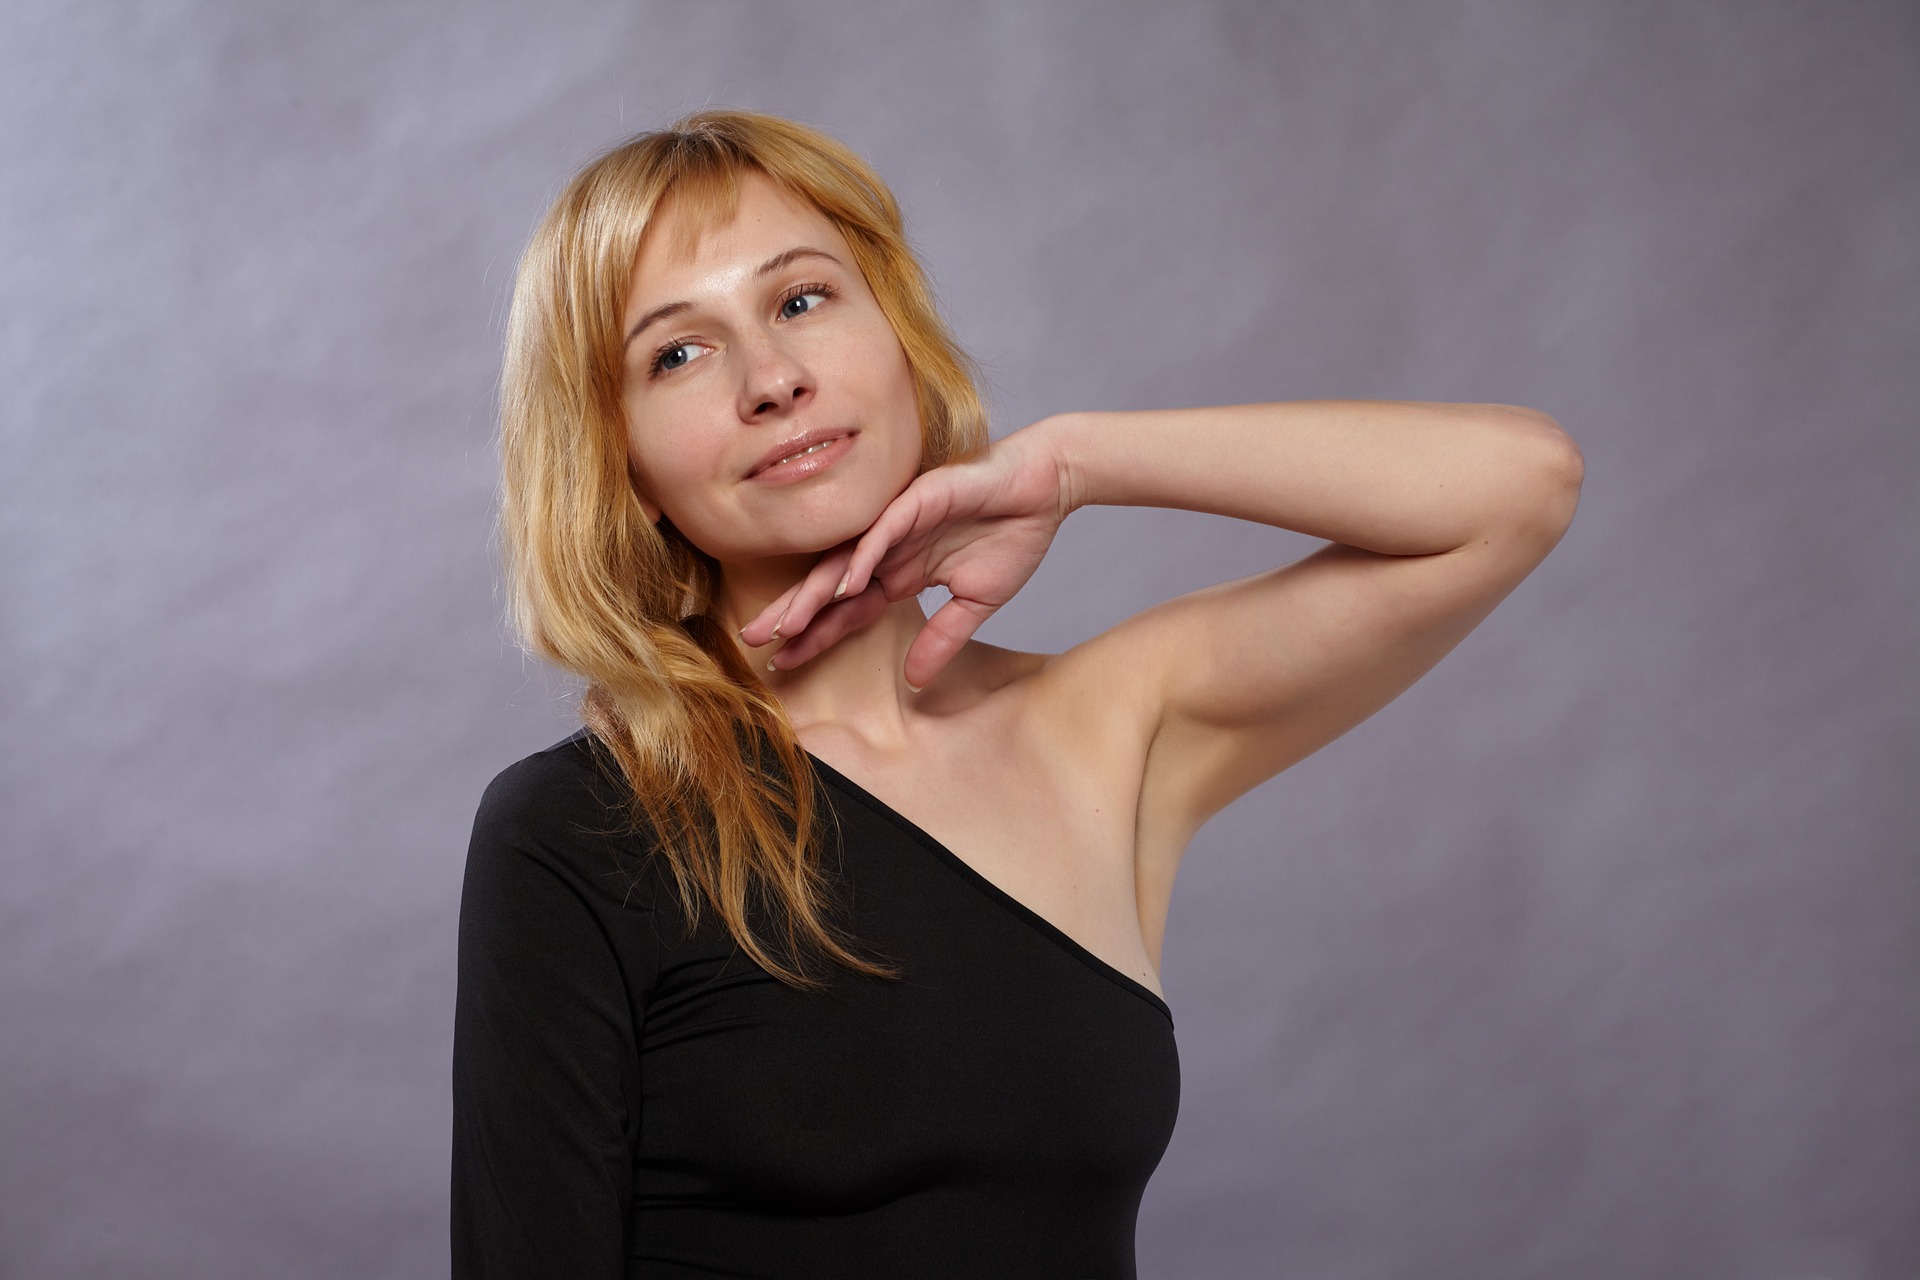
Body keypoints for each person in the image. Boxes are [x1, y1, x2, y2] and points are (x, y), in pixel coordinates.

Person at [449, 108, 1583, 1279]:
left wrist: (1077, 463)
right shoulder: (582, 830)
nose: (773, 379)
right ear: (617, 464)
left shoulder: (1109, 728)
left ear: (895, 334)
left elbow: (1520, 487)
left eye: (800, 300)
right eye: (677, 354)